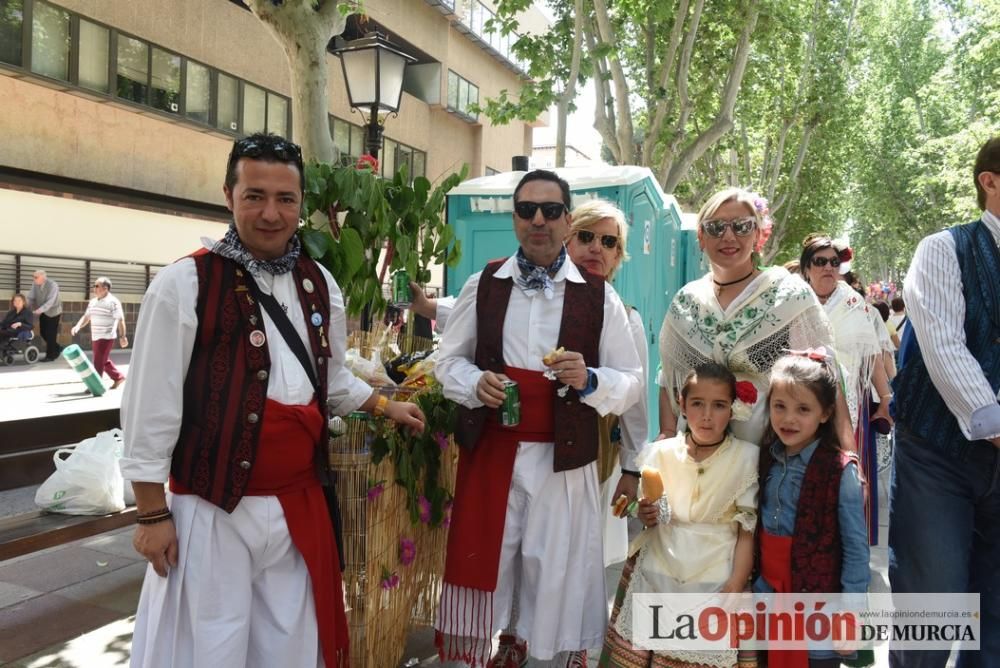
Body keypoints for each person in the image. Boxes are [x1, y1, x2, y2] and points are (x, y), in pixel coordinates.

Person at [120, 132, 425, 668]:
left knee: (288, 643)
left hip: (296, 504)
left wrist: (384, 405)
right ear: (228, 196)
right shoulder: (184, 282)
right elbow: (150, 407)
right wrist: (150, 515)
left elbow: (328, 382)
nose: (270, 213)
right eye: (254, 196)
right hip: (212, 508)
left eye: (285, 199)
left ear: (301, 204)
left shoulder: (319, 282)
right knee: (210, 645)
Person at [433, 169, 643, 667]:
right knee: (486, 562)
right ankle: (480, 655)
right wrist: (472, 383)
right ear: (515, 218)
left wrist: (590, 379)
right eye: (527, 210)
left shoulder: (598, 294)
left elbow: (632, 379)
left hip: (562, 460)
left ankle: (548, 656)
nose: (539, 220)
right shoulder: (483, 282)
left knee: (555, 570)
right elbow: (448, 362)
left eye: (551, 210)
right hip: (492, 451)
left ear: (566, 220)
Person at [889, 136, 1000, 667]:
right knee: (932, 600)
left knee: (996, 613)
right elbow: (943, 346)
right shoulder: (943, 247)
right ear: (990, 181)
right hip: (938, 453)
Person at [657, 188, 851, 451]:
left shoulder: (789, 294)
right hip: (698, 464)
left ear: (759, 235)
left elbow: (826, 375)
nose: (728, 236)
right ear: (701, 237)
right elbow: (669, 380)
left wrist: (848, 454)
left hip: (774, 465)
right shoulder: (685, 302)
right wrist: (666, 438)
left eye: (742, 226)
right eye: (715, 227)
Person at [600, 362, 759, 668]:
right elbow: (651, 511)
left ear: (733, 409)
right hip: (659, 565)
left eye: (719, 405)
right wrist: (644, 511)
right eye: (697, 404)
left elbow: (746, 530)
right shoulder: (660, 453)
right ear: (682, 405)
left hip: (717, 573)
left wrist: (737, 583)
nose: (707, 415)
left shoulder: (746, 458)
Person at [755, 352, 869, 668]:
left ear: (825, 413)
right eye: (780, 407)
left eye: (803, 409)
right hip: (769, 598)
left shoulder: (840, 472)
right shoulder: (766, 459)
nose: (789, 419)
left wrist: (851, 614)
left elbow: (856, 551)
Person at [799, 236, 890, 544]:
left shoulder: (855, 304)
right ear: (806, 267)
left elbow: (871, 354)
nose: (828, 268)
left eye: (834, 262)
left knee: (849, 479)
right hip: (801, 404)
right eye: (820, 262)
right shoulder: (793, 302)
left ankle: (850, 553)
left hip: (850, 406)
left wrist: (887, 397)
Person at [70, 277, 128, 389]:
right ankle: (118, 377)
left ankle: (96, 385)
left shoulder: (113, 302)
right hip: (95, 336)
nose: (94, 288)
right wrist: (77, 326)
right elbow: (87, 317)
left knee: (98, 361)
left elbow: (121, 320)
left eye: (97, 286)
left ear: (105, 288)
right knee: (102, 359)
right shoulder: (93, 302)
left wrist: (123, 336)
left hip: (106, 336)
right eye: (94, 286)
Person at [27, 269, 63, 361]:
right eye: (33, 277)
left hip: (54, 311)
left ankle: (50, 356)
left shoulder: (52, 285)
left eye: (36, 277)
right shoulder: (35, 284)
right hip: (43, 311)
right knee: (43, 332)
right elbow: (31, 297)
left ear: (43, 278)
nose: (34, 279)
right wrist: (25, 307)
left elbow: (50, 301)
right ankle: (56, 347)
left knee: (51, 334)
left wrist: (39, 310)